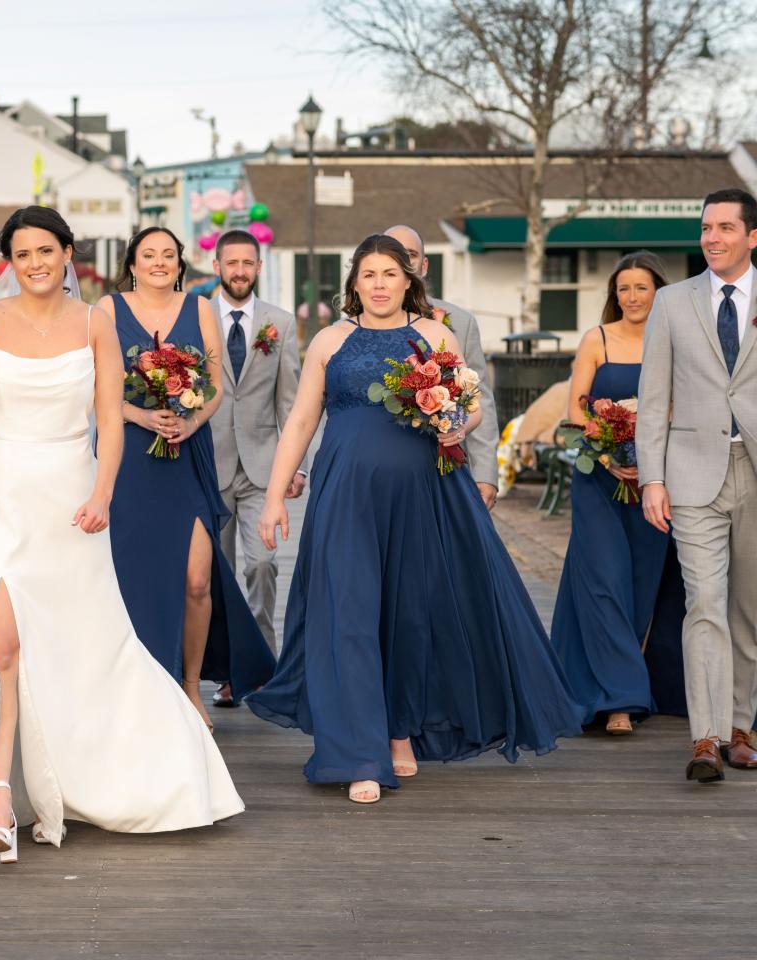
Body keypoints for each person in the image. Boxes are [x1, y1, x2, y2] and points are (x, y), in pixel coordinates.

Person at [0, 207, 242, 863]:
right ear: (10, 263)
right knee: (0, 637)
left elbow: (110, 419)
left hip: (70, 493)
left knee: (73, 639)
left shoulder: (94, 325)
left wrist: (103, 493)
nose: (35, 264)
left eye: (45, 251)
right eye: (22, 255)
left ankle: (117, 768)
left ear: (68, 252)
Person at [246, 233, 582, 804]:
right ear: (354, 283)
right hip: (345, 498)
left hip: (424, 496)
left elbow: (470, 406)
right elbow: (301, 422)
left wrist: (459, 427)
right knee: (348, 615)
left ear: (409, 280)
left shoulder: (435, 335)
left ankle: (401, 730)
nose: (378, 284)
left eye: (389, 273)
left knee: (407, 615)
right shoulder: (329, 341)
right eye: (368, 274)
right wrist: (276, 496)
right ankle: (359, 753)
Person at [100, 227, 276, 731]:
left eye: (168, 255)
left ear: (180, 264)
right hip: (131, 455)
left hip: (188, 453)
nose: (159, 262)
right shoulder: (108, 310)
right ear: (132, 263)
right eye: (148, 255)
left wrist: (190, 421)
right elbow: (97, 384)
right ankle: (136, 687)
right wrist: (139, 416)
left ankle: (189, 686)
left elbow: (216, 386)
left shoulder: (199, 309)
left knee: (198, 580)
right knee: (133, 579)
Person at [637, 187, 757, 783]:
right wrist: (652, 477)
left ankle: (742, 727)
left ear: (752, 236)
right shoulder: (670, 301)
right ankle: (705, 737)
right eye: (706, 228)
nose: (712, 237)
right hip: (690, 472)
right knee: (704, 602)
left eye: (725, 228)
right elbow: (653, 397)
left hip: (755, 470)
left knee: (749, 608)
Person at [551, 252, 684, 735]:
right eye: (624, 288)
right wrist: (609, 456)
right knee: (604, 580)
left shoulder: (674, 339)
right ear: (614, 294)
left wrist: (646, 460)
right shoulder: (597, 339)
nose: (632, 297)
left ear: (659, 292)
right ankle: (621, 702)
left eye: (642, 288)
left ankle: (597, 682)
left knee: (639, 589)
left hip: (656, 484)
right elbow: (575, 414)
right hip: (599, 481)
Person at [206, 229, 304, 709]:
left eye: (248, 263)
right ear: (217, 266)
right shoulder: (195, 316)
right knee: (214, 575)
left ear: (258, 267)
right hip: (208, 464)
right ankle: (227, 669)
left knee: (262, 565)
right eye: (232, 263)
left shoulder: (279, 324)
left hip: (263, 469)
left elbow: (292, 402)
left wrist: (296, 466)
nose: (239, 271)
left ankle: (262, 663)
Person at [383, 225, 499, 508]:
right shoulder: (355, 328)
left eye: (409, 255)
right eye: (392, 254)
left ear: (423, 265)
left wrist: (485, 473)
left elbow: (477, 397)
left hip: (441, 466)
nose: (401, 262)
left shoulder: (459, 322)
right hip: (379, 466)